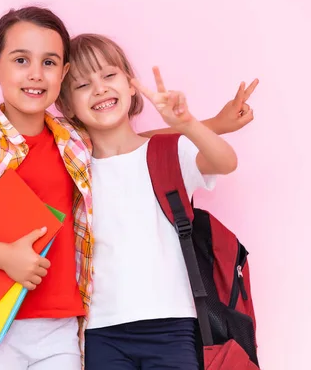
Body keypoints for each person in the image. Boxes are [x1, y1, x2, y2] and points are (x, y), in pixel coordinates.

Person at [0, 6, 258, 370]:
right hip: (22, 322)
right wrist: (6, 257)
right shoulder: (17, 148)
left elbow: (134, 143)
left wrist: (205, 123)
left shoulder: (72, 145)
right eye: (20, 60)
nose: (35, 73)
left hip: (86, 328)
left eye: (48, 62)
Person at [55, 33, 258, 369]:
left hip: (173, 324)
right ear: (66, 106)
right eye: (82, 85)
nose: (100, 89)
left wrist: (187, 124)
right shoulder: (73, 168)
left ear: (132, 85)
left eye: (109, 75)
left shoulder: (167, 151)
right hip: (99, 330)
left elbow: (226, 162)